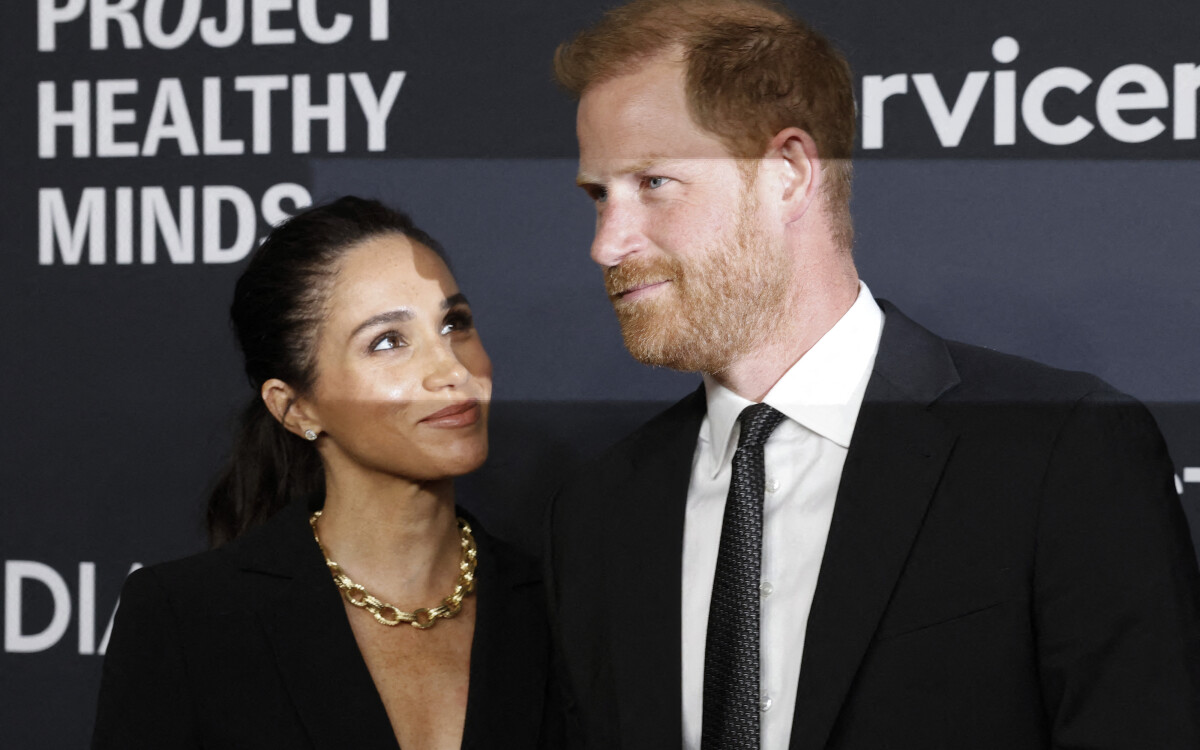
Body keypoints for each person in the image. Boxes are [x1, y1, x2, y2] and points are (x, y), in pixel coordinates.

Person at [543, 1, 1200, 748]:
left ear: (788, 172)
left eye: (654, 183)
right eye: (599, 196)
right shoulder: (598, 517)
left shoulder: (1060, 453)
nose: (608, 243)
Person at [93, 197, 554, 749]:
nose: (451, 370)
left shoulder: (562, 606)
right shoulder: (186, 620)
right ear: (295, 408)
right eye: (388, 341)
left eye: (454, 323)